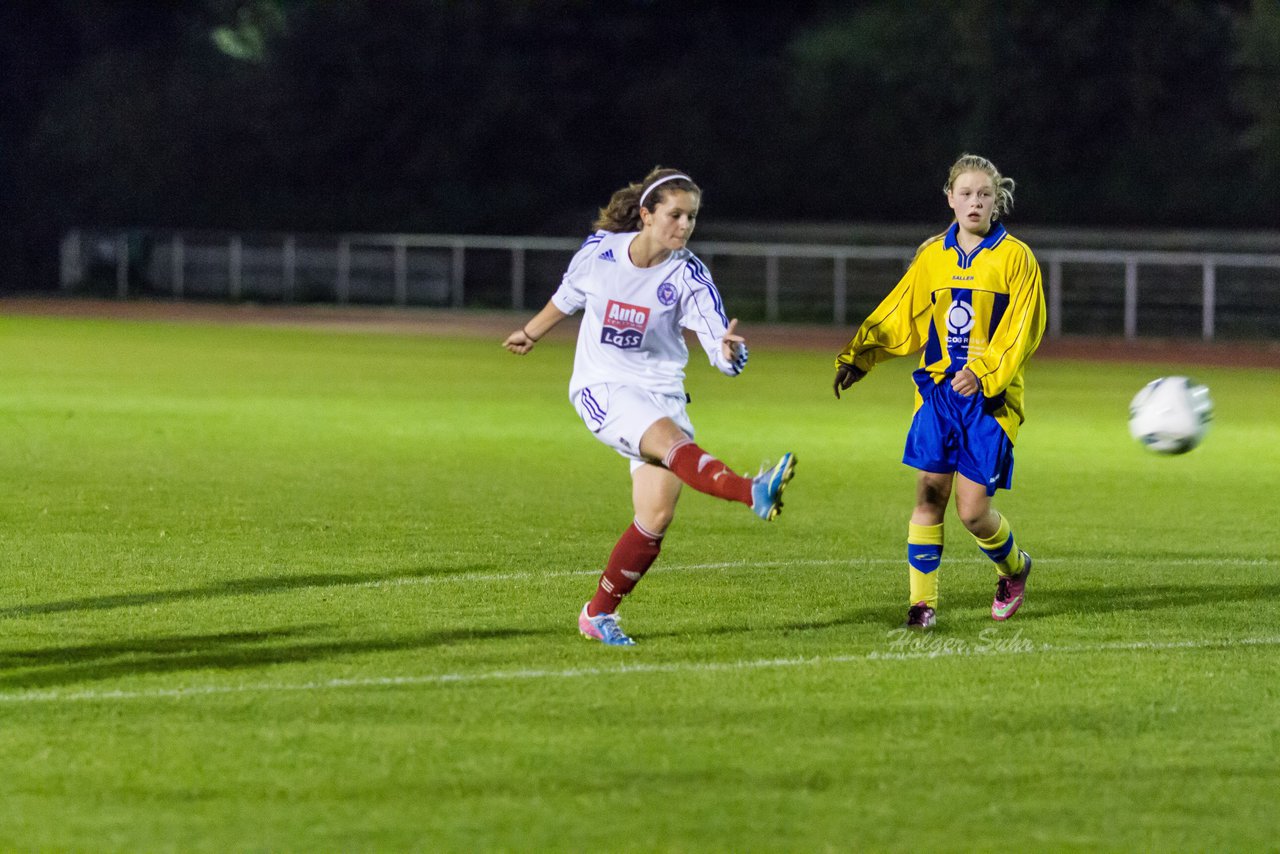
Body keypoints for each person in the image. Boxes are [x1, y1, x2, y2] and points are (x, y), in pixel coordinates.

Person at [504, 166, 797, 646]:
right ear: (646, 214)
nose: (683, 226)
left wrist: (730, 354)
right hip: (603, 387)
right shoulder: (601, 253)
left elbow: (717, 346)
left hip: (660, 395)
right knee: (673, 445)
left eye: (691, 218)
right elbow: (568, 296)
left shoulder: (689, 277)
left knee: (656, 515)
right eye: (675, 215)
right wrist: (531, 333)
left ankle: (597, 615)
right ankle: (752, 490)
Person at [831, 153, 1046, 629]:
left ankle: (1015, 569)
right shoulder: (933, 256)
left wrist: (986, 373)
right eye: (966, 193)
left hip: (991, 402)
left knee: (973, 513)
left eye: (984, 194)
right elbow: (899, 312)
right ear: (949, 198)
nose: (975, 202)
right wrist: (859, 355)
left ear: (996, 201)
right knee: (929, 496)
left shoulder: (1016, 258)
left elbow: (1023, 330)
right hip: (938, 396)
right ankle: (921, 605)